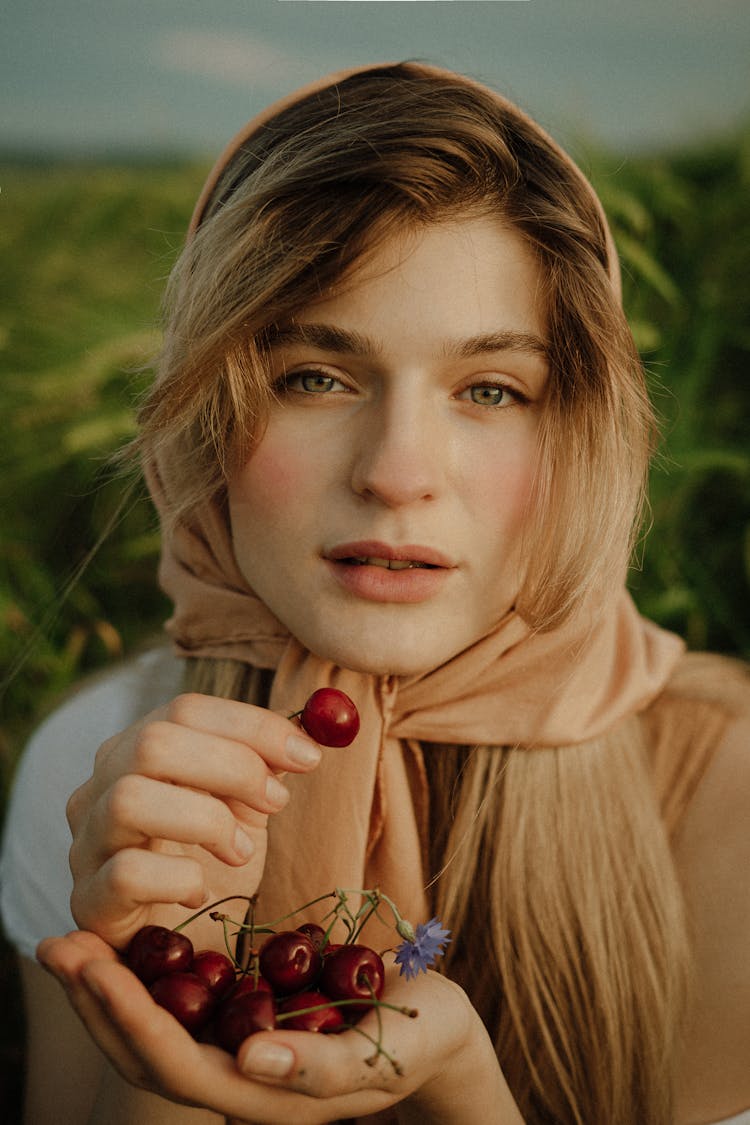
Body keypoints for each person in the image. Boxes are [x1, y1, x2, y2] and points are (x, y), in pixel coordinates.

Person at [1, 61, 748, 1125]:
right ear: (207, 417)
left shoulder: (736, 802)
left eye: (491, 389)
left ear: (582, 439)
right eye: (316, 375)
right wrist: (165, 1010)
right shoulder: (104, 778)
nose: (398, 470)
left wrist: (462, 1096)